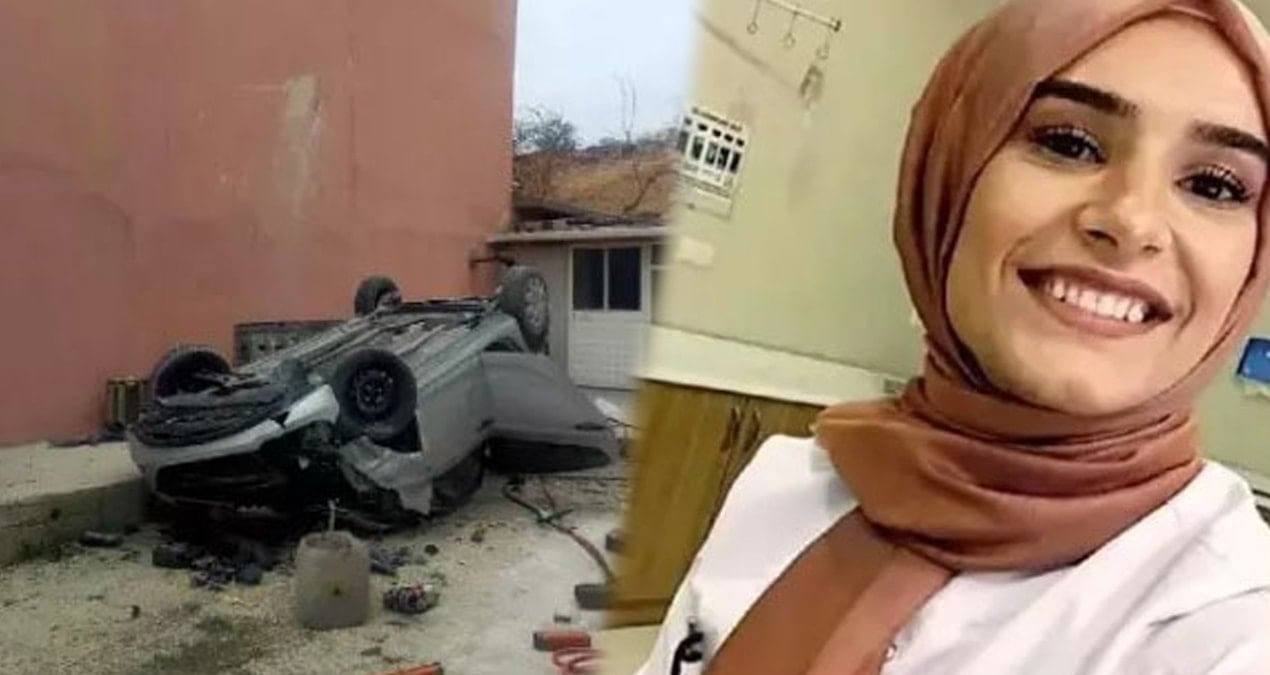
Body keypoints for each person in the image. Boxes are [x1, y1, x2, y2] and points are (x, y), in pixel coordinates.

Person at [631, 0, 1270, 673]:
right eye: (1069, 144)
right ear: (947, 173)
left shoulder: (1229, 623)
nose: (1132, 220)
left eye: (1214, 185)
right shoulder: (788, 482)